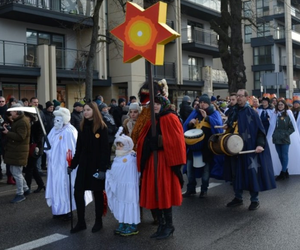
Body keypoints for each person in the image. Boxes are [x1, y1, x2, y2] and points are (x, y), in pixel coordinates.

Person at [136, 95, 186, 239]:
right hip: (153, 161)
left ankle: (169, 226)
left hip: (165, 162)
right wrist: (148, 143)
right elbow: (143, 139)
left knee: (163, 193)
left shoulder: (170, 117)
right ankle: (161, 225)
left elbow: (177, 142)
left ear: (164, 105)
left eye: (158, 104)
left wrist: (160, 142)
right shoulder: (153, 120)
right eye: (153, 104)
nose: (155, 106)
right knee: (155, 192)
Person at [223, 89, 276, 211]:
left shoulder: (252, 113)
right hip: (234, 149)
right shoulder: (233, 112)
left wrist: (260, 145)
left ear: (247, 98)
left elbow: (260, 131)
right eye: (238, 95)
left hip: (249, 148)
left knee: (251, 174)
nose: (239, 98)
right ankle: (238, 198)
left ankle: (254, 200)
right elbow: (230, 128)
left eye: (241, 96)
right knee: (236, 174)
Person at [69, 102, 110, 234]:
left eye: (88, 110)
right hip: (83, 165)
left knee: (97, 193)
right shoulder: (81, 127)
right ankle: (81, 222)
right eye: (84, 110)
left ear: (94, 111)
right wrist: (73, 165)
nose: (85, 112)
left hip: (96, 166)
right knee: (78, 192)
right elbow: (79, 148)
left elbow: (105, 150)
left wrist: (103, 169)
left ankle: (99, 221)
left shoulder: (102, 128)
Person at [45, 107, 92, 220]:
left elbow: (74, 149)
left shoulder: (70, 131)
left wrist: (71, 163)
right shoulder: (53, 131)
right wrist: (48, 151)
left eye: (59, 119)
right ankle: (57, 210)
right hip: (54, 166)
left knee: (66, 187)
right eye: (55, 119)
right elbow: (47, 146)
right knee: (56, 187)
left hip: (66, 166)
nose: (56, 121)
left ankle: (67, 210)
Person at [183, 94, 223, 198]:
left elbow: (219, 128)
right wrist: (190, 124)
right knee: (189, 168)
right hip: (193, 147)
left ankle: (204, 190)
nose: (202, 104)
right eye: (201, 102)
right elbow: (186, 126)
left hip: (207, 147)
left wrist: (207, 118)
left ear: (208, 103)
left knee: (206, 170)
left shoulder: (214, 113)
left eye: (204, 102)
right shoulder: (195, 113)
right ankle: (191, 188)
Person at [105, 127, 140, 236]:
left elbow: (136, 172)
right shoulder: (117, 158)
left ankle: (132, 225)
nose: (119, 148)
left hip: (129, 187)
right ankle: (123, 222)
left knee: (130, 204)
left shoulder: (132, 157)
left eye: (122, 145)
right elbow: (115, 171)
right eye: (118, 145)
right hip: (120, 186)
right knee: (121, 204)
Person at [3, 103, 31, 203]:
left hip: (18, 151)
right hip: (16, 151)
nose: (10, 113)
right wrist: (10, 129)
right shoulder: (19, 121)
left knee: (16, 173)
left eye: (12, 111)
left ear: (17, 112)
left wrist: (8, 133)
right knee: (16, 172)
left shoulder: (22, 122)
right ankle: (26, 189)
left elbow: (20, 137)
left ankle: (20, 194)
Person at [267, 100, 300, 180]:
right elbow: (272, 126)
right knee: (280, 155)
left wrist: (285, 134)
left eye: (281, 105)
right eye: (279, 105)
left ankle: (283, 172)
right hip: (276, 138)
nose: (280, 106)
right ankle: (285, 170)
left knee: (284, 155)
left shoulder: (288, 113)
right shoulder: (275, 114)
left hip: (285, 139)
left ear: (284, 105)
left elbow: (292, 128)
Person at [24, 112, 45, 194]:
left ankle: (27, 187)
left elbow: (38, 137)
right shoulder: (31, 124)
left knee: (29, 169)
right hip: (32, 148)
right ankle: (41, 184)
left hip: (35, 148)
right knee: (33, 168)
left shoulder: (36, 124)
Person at [41, 101, 55, 170]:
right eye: (50, 107)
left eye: (52, 107)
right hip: (45, 134)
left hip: (51, 134)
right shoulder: (44, 114)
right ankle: (43, 164)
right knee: (44, 150)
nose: (52, 108)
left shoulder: (53, 115)